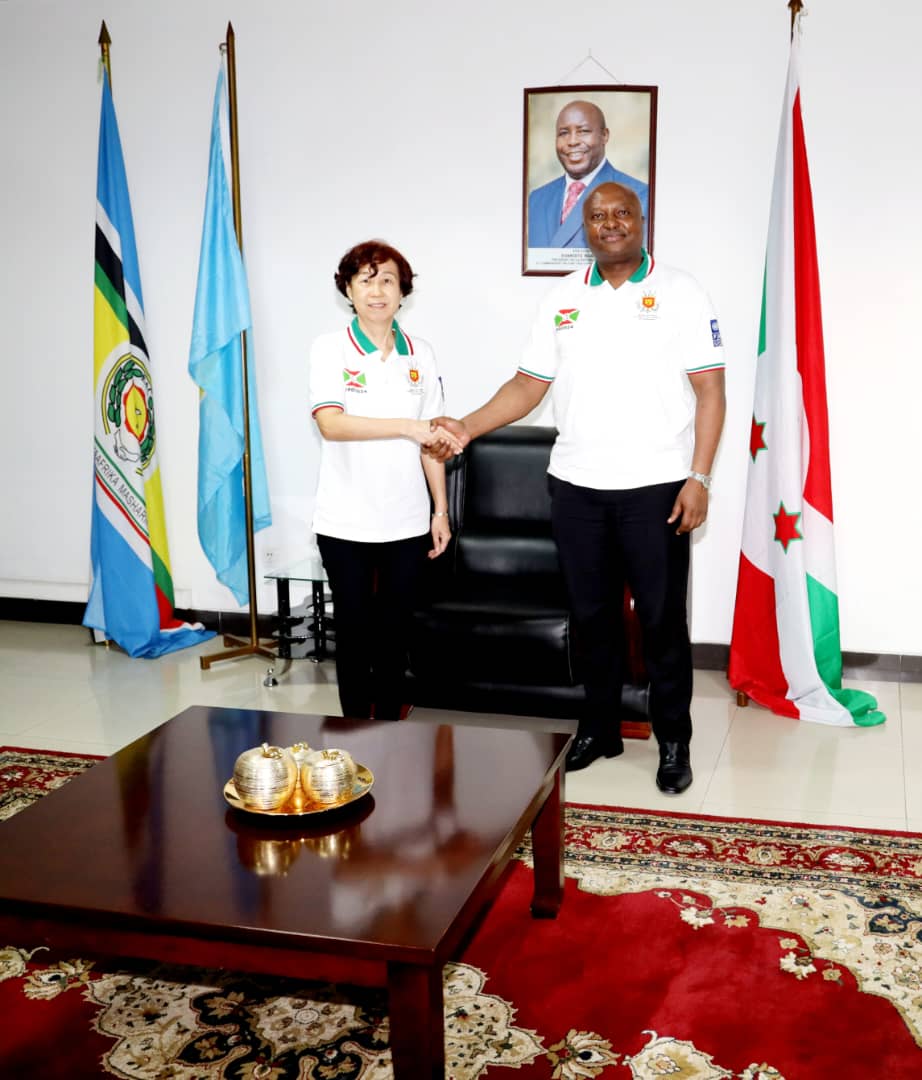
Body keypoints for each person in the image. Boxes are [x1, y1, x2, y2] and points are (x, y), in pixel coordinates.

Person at [429, 183, 725, 794]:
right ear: (584, 228)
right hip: (576, 487)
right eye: (597, 216)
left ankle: (674, 739)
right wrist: (465, 427)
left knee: (663, 620)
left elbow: (711, 392)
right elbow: (526, 387)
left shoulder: (681, 291)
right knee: (591, 619)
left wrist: (699, 477)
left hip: (657, 487)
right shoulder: (563, 298)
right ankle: (599, 726)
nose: (609, 223)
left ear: (641, 221)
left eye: (621, 213)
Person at [309, 240, 462, 722]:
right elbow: (331, 424)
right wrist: (404, 425)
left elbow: (432, 441)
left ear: (403, 291)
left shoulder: (421, 354)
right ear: (348, 290)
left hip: (407, 520)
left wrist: (440, 510)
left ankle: (393, 734)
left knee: (396, 635)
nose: (378, 290)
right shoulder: (330, 348)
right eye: (366, 280)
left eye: (388, 280)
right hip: (345, 521)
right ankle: (352, 739)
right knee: (354, 635)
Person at [527, 100, 649, 250]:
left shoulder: (641, 197)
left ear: (604, 135)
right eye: (563, 133)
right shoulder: (536, 200)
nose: (572, 142)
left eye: (583, 131)